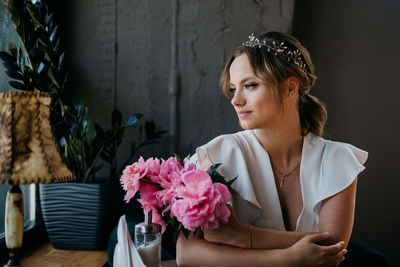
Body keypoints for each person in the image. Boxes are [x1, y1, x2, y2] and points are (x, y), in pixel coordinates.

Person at [176, 31, 368, 267]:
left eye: (250, 85)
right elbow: (186, 255)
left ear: (290, 88)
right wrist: (287, 258)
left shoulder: (338, 160)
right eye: (233, 89)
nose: (236, 100)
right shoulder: (217, 155)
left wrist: (241, 236)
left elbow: (331, 252)